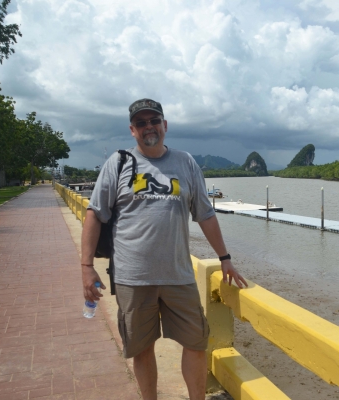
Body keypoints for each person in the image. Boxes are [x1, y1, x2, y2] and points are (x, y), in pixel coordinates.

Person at [80, 98, 247, 400]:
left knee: (196, 342)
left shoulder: (185, 162)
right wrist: (86, 267)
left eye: (154, 121)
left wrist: (225, 258)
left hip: (179, 275)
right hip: (133, 278)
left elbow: (205, 214)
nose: (149, 127)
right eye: (141, 123)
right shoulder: (117, 163)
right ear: (133, 130)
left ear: (165, 125)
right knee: (141, 348)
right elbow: (94, 213)